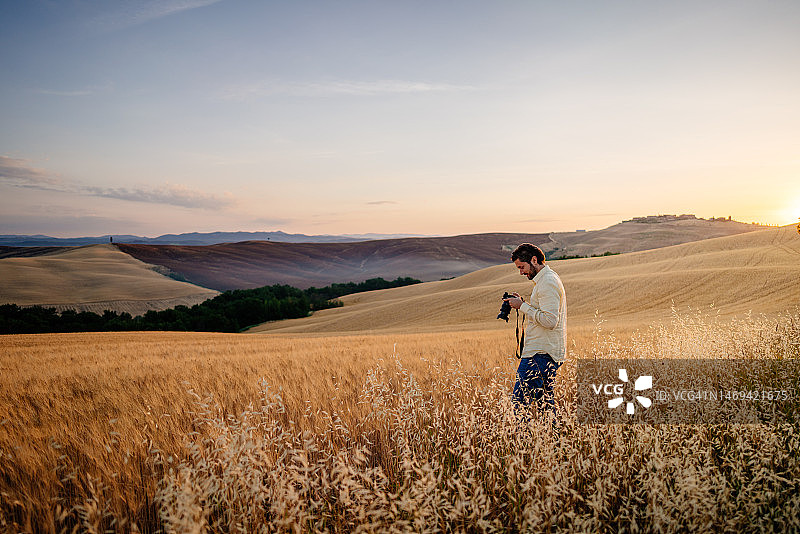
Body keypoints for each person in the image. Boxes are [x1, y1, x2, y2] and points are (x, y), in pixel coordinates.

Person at [503, 243, 567, 418]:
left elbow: (550, 320)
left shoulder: (547, 282)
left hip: (540, 354)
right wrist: (523, 304)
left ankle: (523, 442)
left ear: (534, 260)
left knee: (519, 403)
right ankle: (553, 441)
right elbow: (544, 313)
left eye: (522, 267)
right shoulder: (546, 280)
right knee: (545, 404)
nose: (521, 272)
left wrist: (523, 306)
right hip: (544, 352)